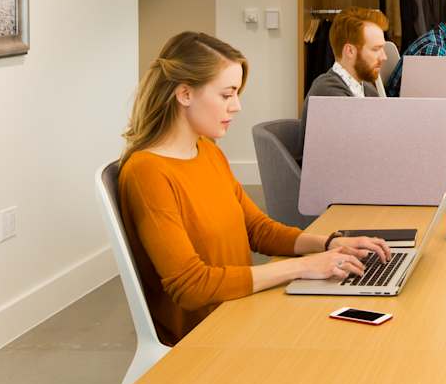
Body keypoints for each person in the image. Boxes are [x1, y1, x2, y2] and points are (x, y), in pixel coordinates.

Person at [118, 31, 391, 346]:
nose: (236, 106)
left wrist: (330, 243)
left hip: (241, 309)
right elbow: (191, 286)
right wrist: (303, 266)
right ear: (185, 94)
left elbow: (257, 230)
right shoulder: (147, 172)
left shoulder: (207, 152)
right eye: (227, 95)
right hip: (206, 338)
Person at [298, 7, 390, 160]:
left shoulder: (367, 89)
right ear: (350, 51)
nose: (384, 57)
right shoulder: (327, 92)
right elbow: (362, 151)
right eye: (376, 49)